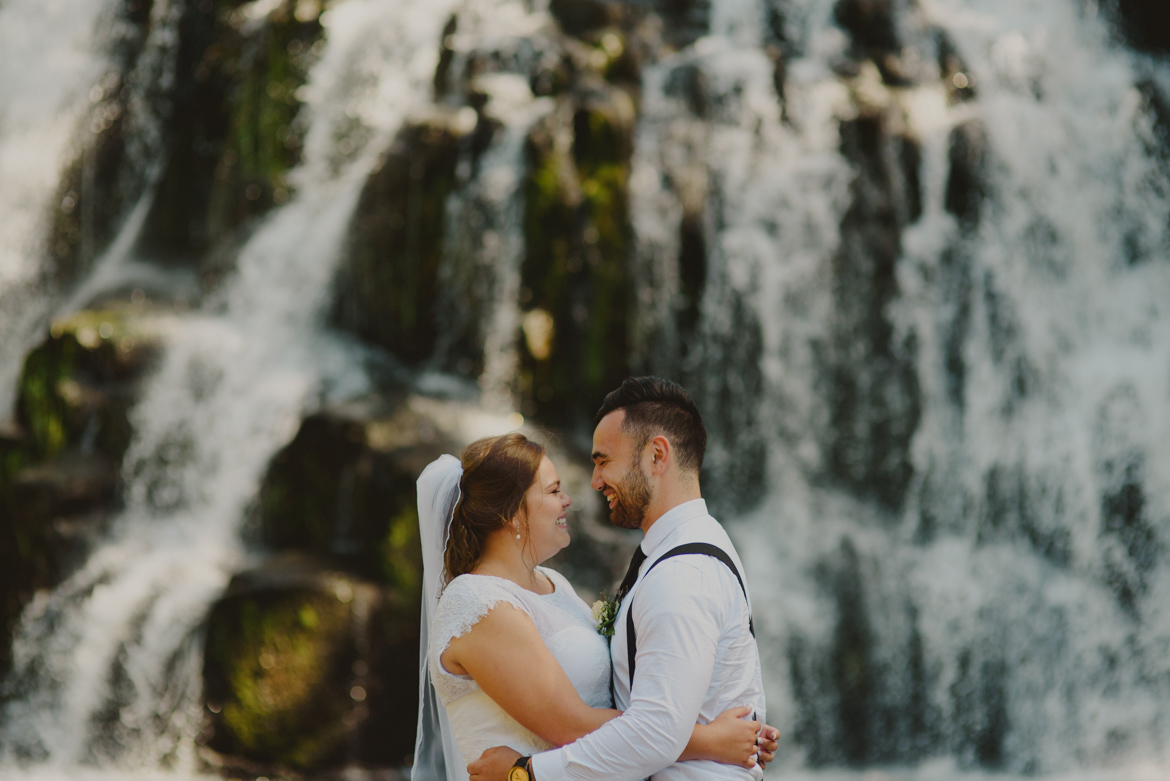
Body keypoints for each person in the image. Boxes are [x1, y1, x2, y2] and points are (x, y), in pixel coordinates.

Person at [412, 432, 776, 781]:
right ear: (510, 513)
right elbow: (570, 725)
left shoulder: (556, 585)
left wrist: (727, 722)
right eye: (554, 490)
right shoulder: (477, 602)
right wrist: (710, 741)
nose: (568, 499)